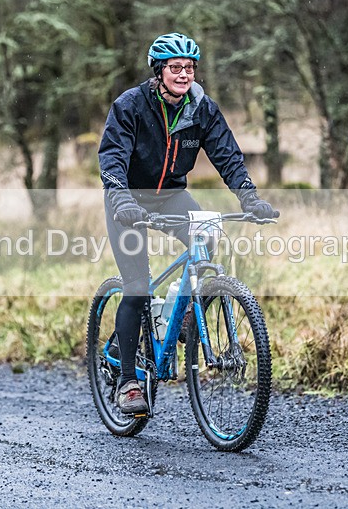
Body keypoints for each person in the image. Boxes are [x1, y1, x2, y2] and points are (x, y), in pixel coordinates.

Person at [98, 32, 276, 414]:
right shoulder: (130, 105)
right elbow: (112, 159)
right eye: (175, 67)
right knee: (137, 287)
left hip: (171, 196)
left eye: (189, 68)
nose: (183, 75)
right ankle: (129, 381)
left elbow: (227, 155)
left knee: (208, 236)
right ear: (159, 71)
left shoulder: (201, 107)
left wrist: (249, 197)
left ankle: (177, 315)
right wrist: (122, 199)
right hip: (127, 198)